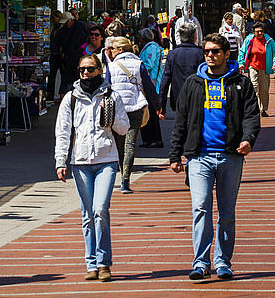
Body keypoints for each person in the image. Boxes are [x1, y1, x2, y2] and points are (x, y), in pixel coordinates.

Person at [169, 33, 262, 281]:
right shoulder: (193, 83)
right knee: (200, 209)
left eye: (215, 51)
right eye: (207, 51)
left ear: (226, 54)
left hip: (230, 155)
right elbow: (181, 120)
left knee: (227, 212)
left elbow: (251, 116)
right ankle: (200, 263)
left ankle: (223, 262)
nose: (210, 55)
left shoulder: (240, 83)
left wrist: (248, 139)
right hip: (200, 157)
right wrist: (175, 154)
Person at [54, 52, 130, 282]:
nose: (86, 73)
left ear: (99, 70)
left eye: (90, 69)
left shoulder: (111, 95)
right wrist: (60, 161)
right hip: (81, 162)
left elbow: (124, 129)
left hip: (106, 159)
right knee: (87, 214)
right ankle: (91, 263)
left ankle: (104, 262)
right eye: (82, 70)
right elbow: (63, 131)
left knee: (100, 210)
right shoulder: (71, 98)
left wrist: (111, 115)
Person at [104, 35, 159, 193]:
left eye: (113, 48)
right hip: (135, 107)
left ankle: (121, 174)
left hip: (117, 109)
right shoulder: (138, 64)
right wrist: (157, 104)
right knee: (130, 145)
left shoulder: (112, 66)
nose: (111, 51)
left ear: (120, 49)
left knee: (119, 144)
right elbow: (148, 86)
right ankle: (125, 181)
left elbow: (107, 88)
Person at [160, 23, 204, 117]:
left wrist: (162, 105)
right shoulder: (200, 54)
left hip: (177, 97)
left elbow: (165, 80)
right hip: (196, 98)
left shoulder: (172, 54)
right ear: (194, 36)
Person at [238, 22, 275, 116]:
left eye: (261, 31)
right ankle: (254, 108)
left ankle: (263, 109)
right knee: (254, 87)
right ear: (253, 32)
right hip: (253, 66)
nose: (260, 33)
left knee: (264, 89)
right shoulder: (249, 39)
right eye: (257, 32)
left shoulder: (269, 40)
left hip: (265, 67)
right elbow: (242, 51)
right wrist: (241, 63)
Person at [137, 28, 165, 148]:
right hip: (147, 84)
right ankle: (147, 139)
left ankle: (156, 139)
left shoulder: (151, 47)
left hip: (152, 84)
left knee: (152, 113)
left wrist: (138, 66)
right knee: (146, 112)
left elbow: (149, 64)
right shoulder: (150, 47)